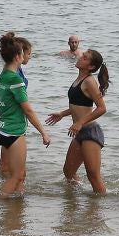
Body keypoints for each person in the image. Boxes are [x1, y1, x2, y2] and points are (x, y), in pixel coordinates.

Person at [45, 48, 110, 193]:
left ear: (91, 67)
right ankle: (73, 202)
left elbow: (101, 108)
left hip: (90, 132)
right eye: (83, 55)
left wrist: (80, 123)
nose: (80, 57)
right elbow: (81, 106)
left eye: (85, 58)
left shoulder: (90, 82)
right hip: (80, 132)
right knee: (68, 172)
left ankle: (98, 209)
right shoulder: (79, 79)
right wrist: (62, 113)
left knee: (93, 175)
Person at [0, 32, 51, 194]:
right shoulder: (15, 80)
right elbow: (28, 110)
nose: (28, 56)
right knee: (18, 175)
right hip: (14, 130)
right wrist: (43, 132)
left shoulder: (4, 75)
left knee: (18, 173)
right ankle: (0, 204)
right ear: (18, 56)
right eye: (26, 53)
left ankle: (17, 205)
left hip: (3, 129)